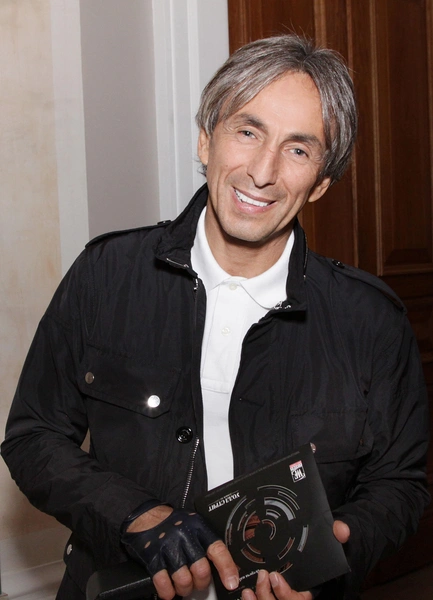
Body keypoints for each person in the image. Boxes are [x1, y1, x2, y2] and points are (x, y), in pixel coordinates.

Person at [2, 34, 430, 600]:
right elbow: (33, 437)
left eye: (298, 151)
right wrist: (135, 514)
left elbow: (400, 484)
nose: (262, 171)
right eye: (247, 132)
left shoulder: (370, 320)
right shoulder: (106, 275)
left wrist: (340, 550)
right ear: (206, 140)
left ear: (321, 184)